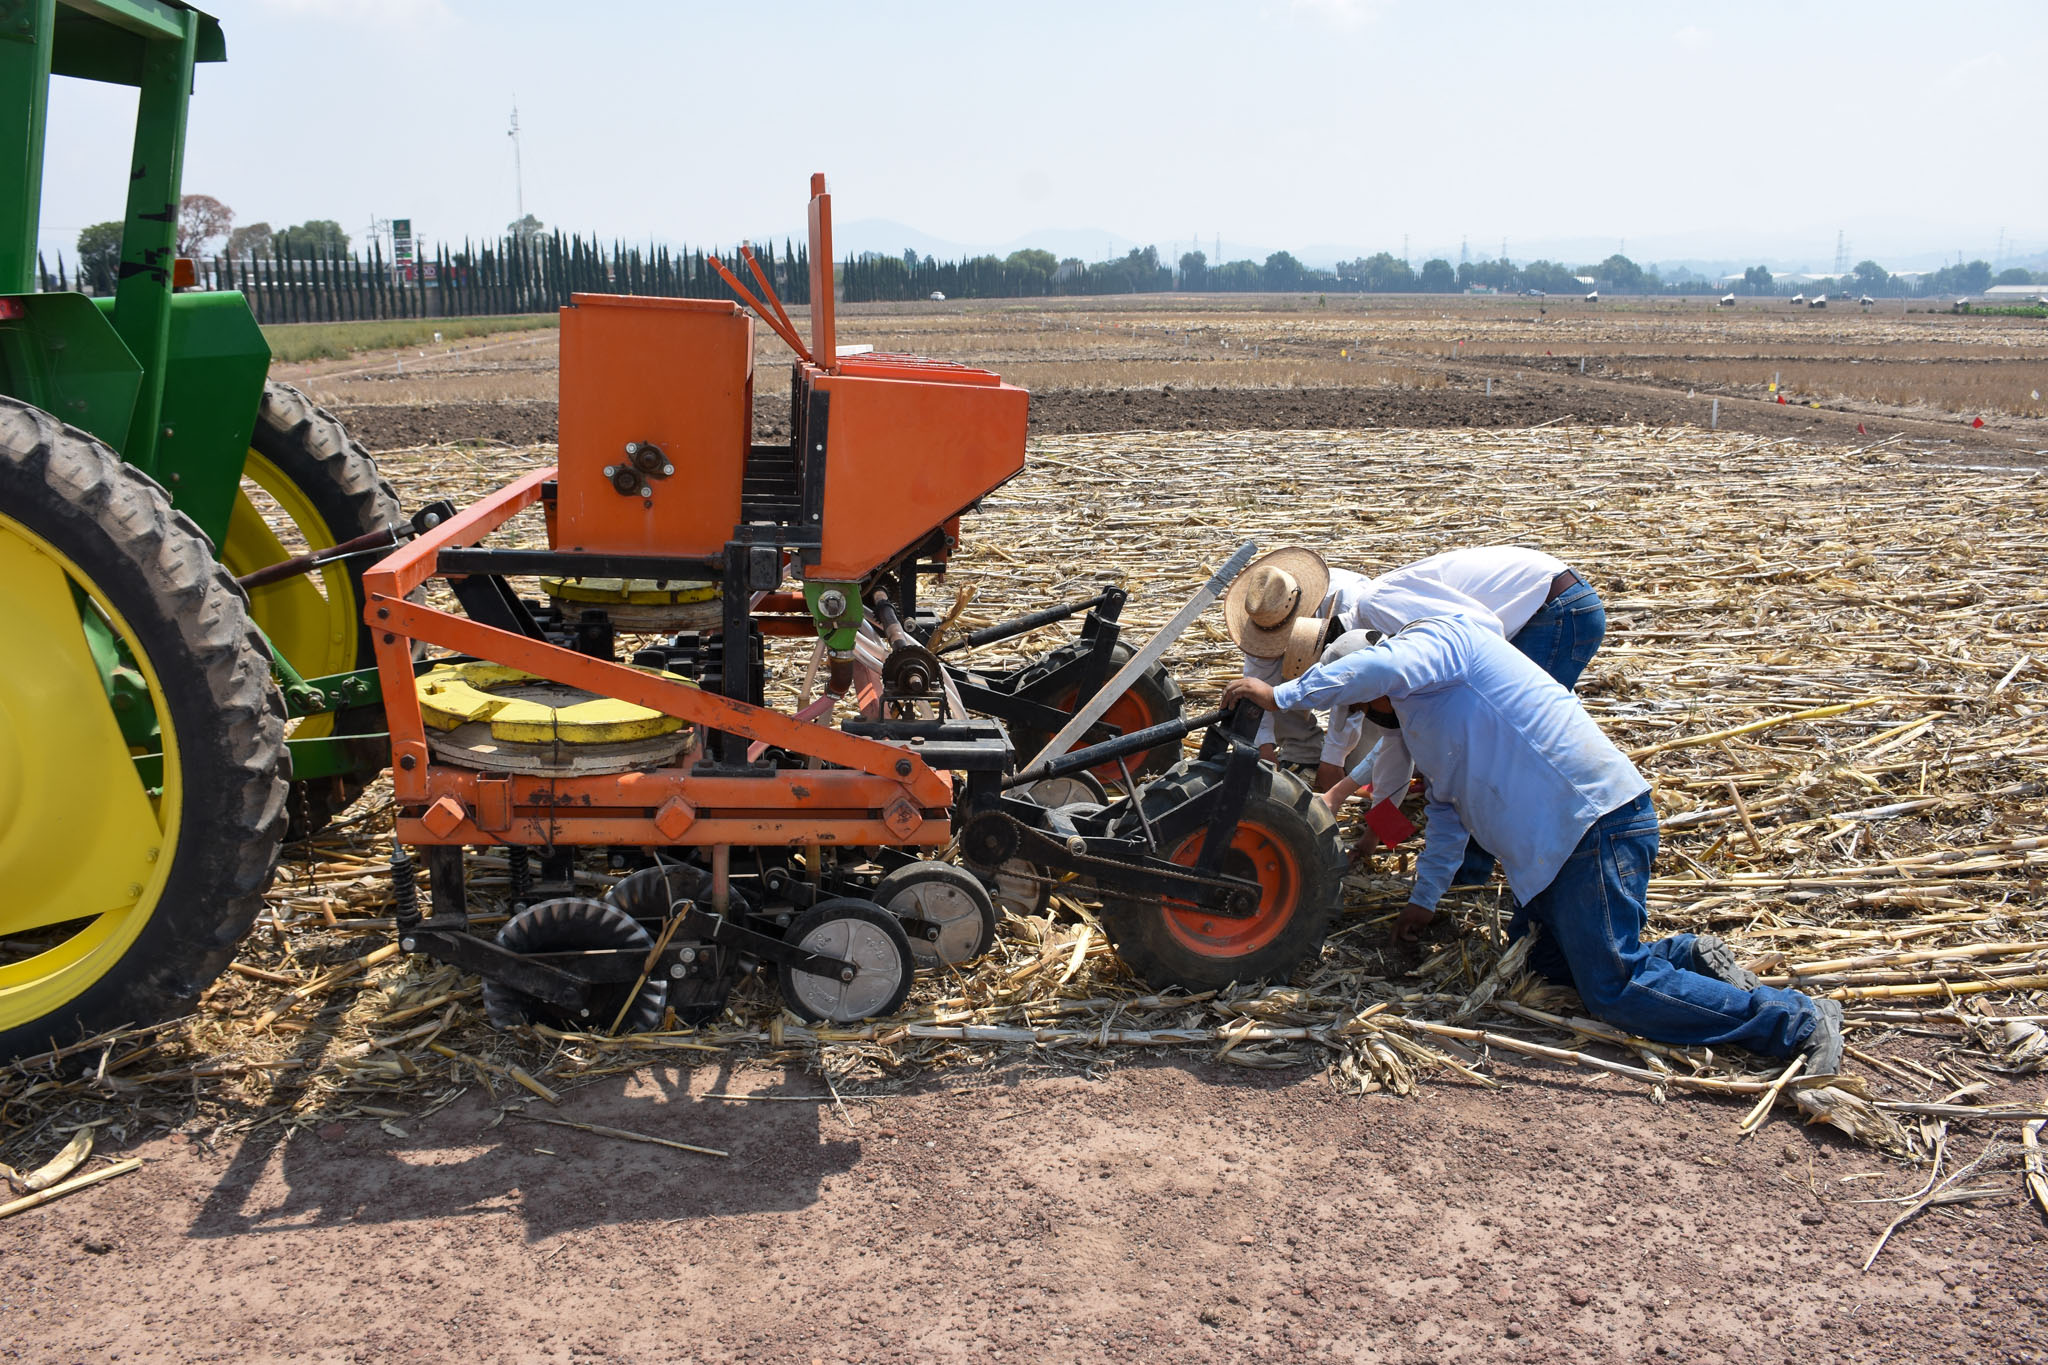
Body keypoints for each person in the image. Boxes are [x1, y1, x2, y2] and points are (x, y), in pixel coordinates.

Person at [1219, 613, 1843, 1072]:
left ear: (1362, 684)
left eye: (1357, 701)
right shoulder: (1414, 721)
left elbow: (1371, 767)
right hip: (1548, 857)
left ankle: (1791, 1021)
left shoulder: (1437, 645)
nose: (1360, 715)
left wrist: (1282, 696)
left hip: (1589, 825)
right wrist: (1423, 900)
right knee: (1542, 968)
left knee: (1613, 991)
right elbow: (1441, 813)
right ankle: (1689, 955)